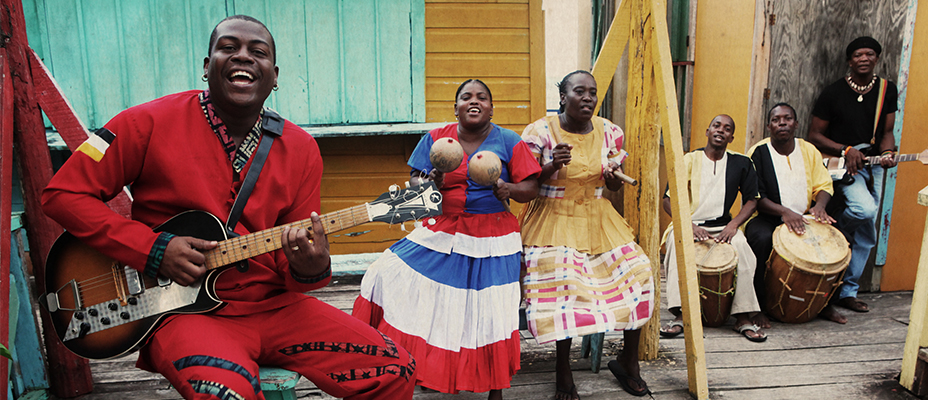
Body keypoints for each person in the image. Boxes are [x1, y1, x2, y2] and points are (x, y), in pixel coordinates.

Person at [41, 15, 416, 400]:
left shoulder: (302, 149)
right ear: (207, 67)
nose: (243, 57)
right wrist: (152, 250)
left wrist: (312, 265)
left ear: (274, 75)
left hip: (275, 309)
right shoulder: (144, 122)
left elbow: (295, 267)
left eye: (258, 52)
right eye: (228, 47)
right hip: (184, 314)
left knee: (394, 371)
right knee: (225, 394)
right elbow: (62, 195)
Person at [352, 79, 541, 400]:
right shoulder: (438, 139)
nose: (474, 101)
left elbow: (532, 187)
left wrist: (509, 190)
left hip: (494, 236)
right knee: (391, 277)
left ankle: (495, 389)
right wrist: (430, 181)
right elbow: (416, 180)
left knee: (491, 309)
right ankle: (419, 368)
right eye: (466, 97)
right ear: (456, 108)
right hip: (443, 229)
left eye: (482, 97)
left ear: (492, 108)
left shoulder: (508, 141)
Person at [520, 70, 655, 400]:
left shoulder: (609, 132)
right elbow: (526, 184)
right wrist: (551, 165)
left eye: (592, 93)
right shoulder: (540, 132)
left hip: (597, 217)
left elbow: (610, 184)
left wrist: (612, 176)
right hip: (552, 216)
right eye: (579, 92)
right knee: (566, 283)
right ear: (563, 98)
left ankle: (627, 361)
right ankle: (562, 372)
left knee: (641, 275)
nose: (588, 98)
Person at [807, 36, 898, 316]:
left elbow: (886, 133)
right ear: (849, 60)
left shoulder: (886, 90)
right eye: (858, 54)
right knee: (865, 210)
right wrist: (845, 150)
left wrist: (889, 153)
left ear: (877, 58)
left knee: (869, 233)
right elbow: (814, 135)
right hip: (842, 164)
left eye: (870, 54)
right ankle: (837, 230)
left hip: (872, 163)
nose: (864, 58)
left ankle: (848, 291)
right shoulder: (833, 93)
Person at [659, 114, 766, 342]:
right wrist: (689, 225)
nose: (721, 130)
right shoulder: (688, 160)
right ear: (707, 131)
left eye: (727, 128)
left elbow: (752, 200)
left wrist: (734, 224)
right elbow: (668, 200)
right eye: (716, 125)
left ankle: (743, 317)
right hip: (689, 224)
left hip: (723, 227)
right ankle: (681, 315)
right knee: (676, 246)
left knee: (744, 251)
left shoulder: (741, 163)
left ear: (731, 137)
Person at [744, 103, 843, 325]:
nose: (782, 123)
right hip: (768, 217)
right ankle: (756, 306)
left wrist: (819, 207)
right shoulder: (758, 152)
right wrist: (784, 212)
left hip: (805, 217)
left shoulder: (808, 150)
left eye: (787, 119)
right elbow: (756, 196)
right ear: (769, 125)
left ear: (796, 124)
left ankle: (826, 304)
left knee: (841, 241)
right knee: (759, 240)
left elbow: (824, 184)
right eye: (777, 120)